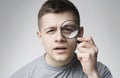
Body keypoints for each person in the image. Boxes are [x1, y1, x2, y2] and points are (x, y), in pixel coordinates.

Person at [10, 0, 113, 78]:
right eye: (51, 31)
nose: (59, 38)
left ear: (80, 33)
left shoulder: (100, 72)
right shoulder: (22, 76)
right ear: (40, 37)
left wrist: (92, 73)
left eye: (67, 29)